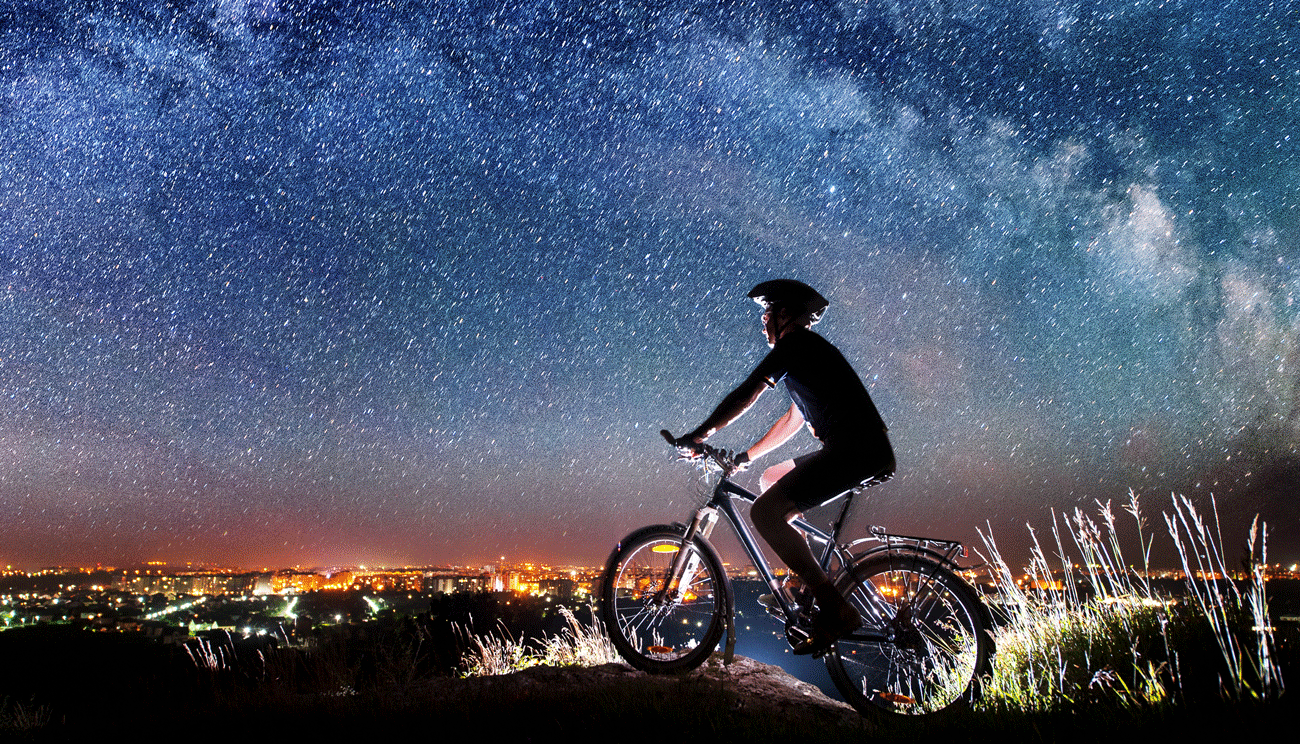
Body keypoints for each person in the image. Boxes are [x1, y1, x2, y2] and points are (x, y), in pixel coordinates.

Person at [673, 279, 895, 655]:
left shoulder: (796, 345)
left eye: (767, 314)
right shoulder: (806, 356)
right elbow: (792, 422)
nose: (762, 323)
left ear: (786, 315)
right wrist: (747, 457)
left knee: (766, 513)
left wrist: (699, 434)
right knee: (770, 478)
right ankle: (804, 581)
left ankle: (834, 606)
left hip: (856, 450)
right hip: (856, 449)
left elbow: (747, 393)